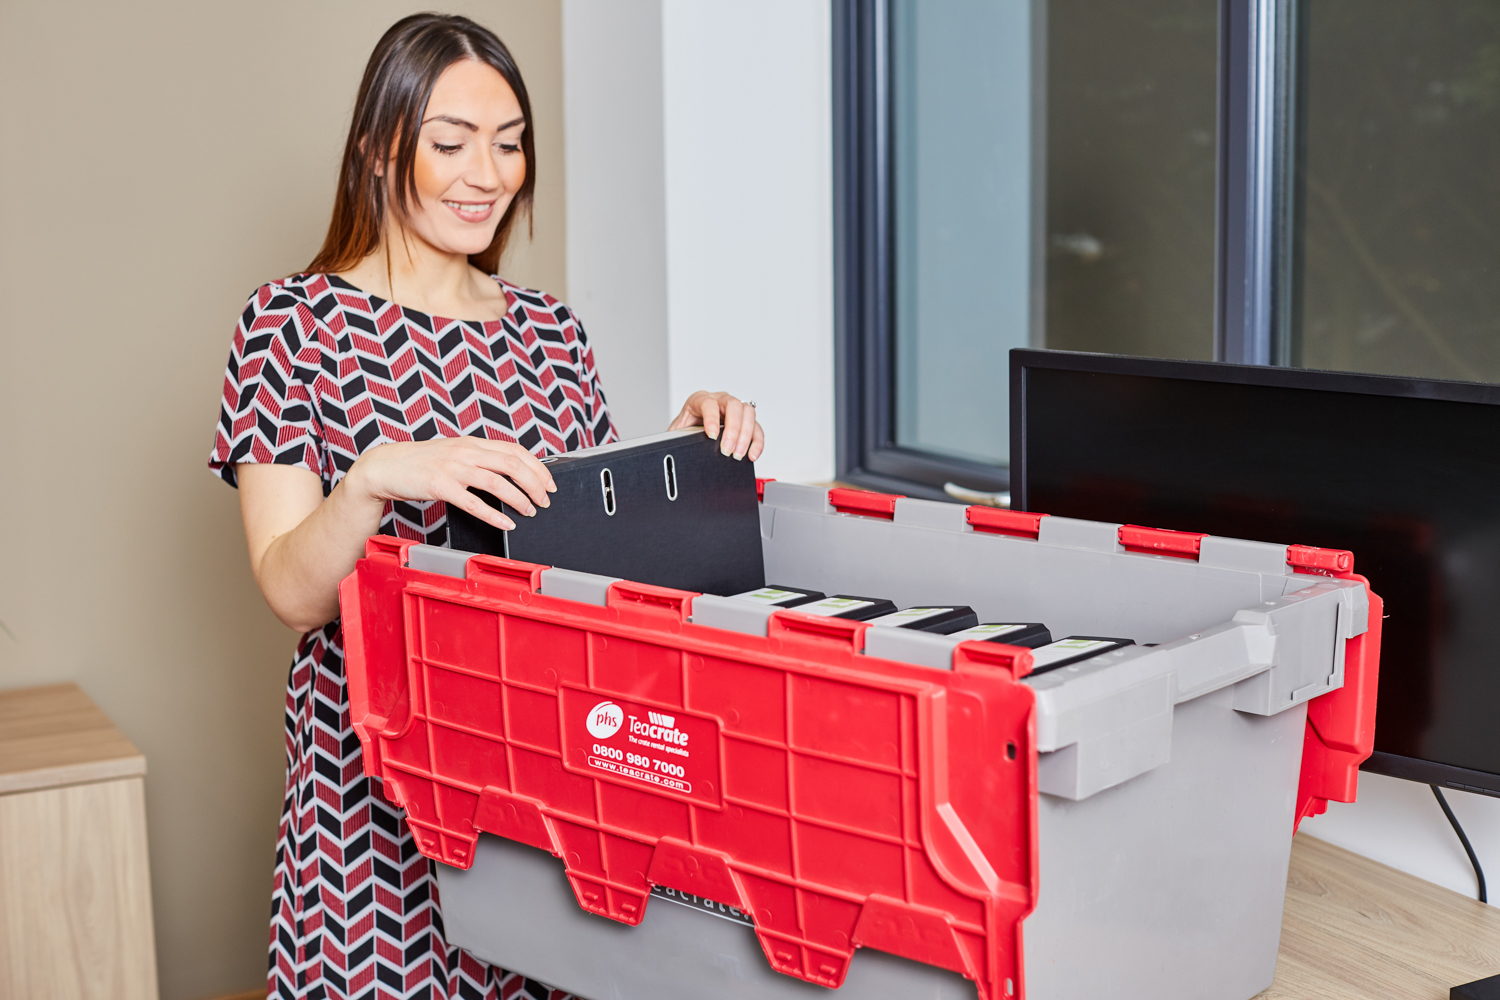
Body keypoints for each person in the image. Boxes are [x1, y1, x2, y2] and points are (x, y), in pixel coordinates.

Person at [208, 14, 763, 999]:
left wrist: (683, 451)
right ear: (383, 147)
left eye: (509, 144)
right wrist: (375, 477)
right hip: (373, 806)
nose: (489, 173)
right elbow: (292, 592)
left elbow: (592, 564)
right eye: (451, 142)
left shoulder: (550, 331)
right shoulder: (290, 324)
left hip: (547, 796)